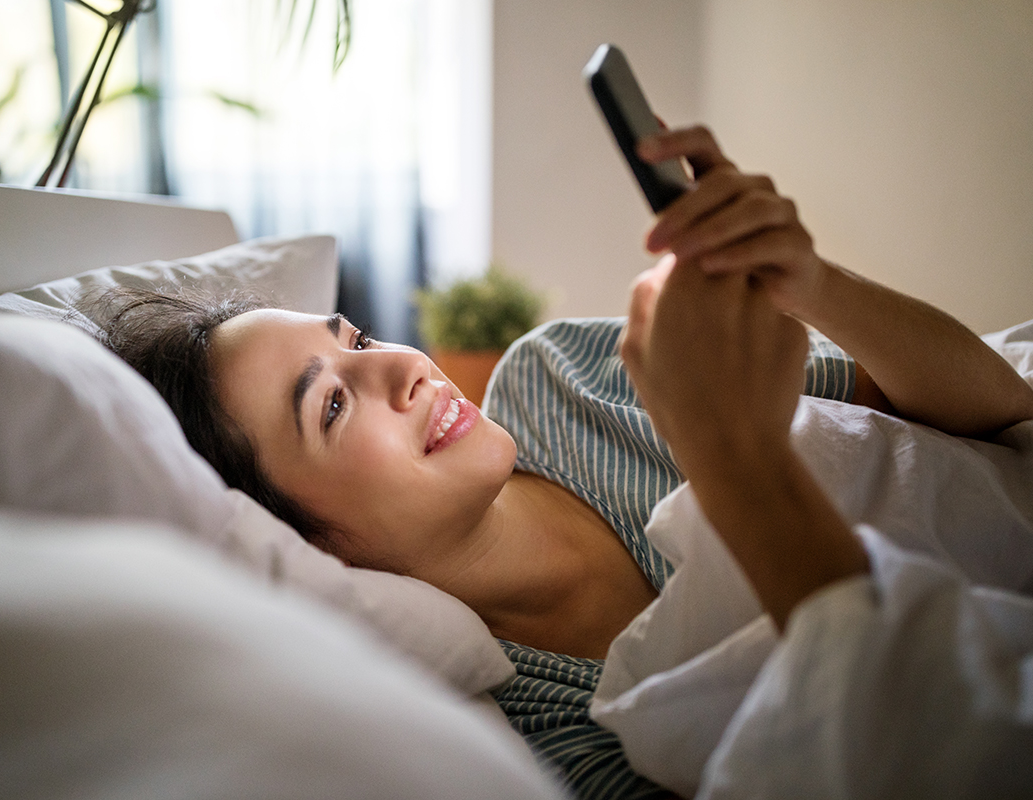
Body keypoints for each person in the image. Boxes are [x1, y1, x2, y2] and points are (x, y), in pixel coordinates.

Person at [90, 126, 1033, 798]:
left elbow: (997, 411)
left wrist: (813, 281)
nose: (400, 366)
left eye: (359, 335)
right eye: (331, 405)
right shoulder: (517, 728)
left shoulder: (560, 377)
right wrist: (731, 453)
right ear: (299, 543)